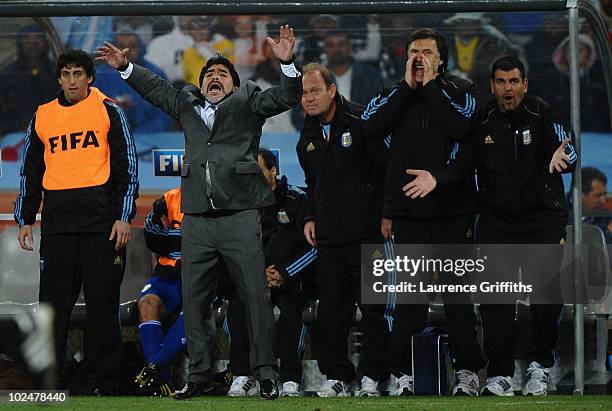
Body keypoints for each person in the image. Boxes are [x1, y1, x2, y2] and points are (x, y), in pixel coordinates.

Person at [95, 25, 302, 400]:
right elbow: (156, 90)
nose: (214, 78)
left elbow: (288, 96)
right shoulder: (186, 103)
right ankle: (200, 375)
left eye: (223, 73)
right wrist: (127, 69)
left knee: (255, 297)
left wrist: (287, 63)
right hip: (196, 221)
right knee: (194, 301)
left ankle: (266, 373)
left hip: (240, 217)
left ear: (235, 86)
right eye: (209, 74)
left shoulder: (249, 101)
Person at [404, 55, 576, 396]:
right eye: (501, 82)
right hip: (497, 222)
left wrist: (564, 158)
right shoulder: (482, 117)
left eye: (514, 82)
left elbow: (566, 147)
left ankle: (540, 367)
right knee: (496, 302)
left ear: (525, 85)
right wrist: (437, 179)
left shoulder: (543, 113)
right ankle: (500, 373)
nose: (507, 89)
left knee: (545, 299)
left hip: (542, 220)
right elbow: (462, 162)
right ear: (491, 86)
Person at [361, 28, 486, 396]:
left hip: (453, 211)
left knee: (456, 298)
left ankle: (467, 373)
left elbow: (463, 130)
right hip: (410, 213)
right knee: (410, 301)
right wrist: (407, 89)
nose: (418, 57)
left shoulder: (462, 91)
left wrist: (438, 179)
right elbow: (370, 126)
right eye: (413, 51)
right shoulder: (393, 93)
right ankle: (403, 373)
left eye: (427, 52)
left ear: (441, 59)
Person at [14, 49, 138, 394]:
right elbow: (30, 173)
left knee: (102, 312)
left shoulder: (108, 110)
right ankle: (47, 383)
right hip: (58, 229)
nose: (71, 81)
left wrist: (123, 217)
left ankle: (104, 385)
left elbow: (127, 167)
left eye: (77, 74)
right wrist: (26, 219)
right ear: (58, 79)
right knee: (52, 313)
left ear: (90, 78)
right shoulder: (43, 116)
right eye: (66, 74)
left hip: (102, 228)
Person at [297, 63, 389, 397]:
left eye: (315, 91)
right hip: (330, 239)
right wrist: (308, 217)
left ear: (332, 91)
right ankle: (337, 375)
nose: (309, 98)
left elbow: (385, 170)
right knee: (331, 313)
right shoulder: (306, 136)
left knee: (374, 310)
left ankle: (372, 377)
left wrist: (387, 214)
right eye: (305, 92)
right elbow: (311, 185)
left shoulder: (362, 122)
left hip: (368, 232)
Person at [224, 148, 316, 397]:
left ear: (273, 171)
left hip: (291, 282)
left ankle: (290, 379)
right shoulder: (241, 206)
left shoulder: (297, 200)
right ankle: (243, 376)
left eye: (258, 170)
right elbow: (232, 248)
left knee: (290, 313)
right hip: (255, 279)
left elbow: (314, 249)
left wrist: (285, 273)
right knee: (237, 309)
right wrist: (257, 273)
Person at [135, 187, 232, 397]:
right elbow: (153, 237)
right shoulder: (169, 199)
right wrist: (190, 238)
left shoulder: (221, 198)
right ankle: (158, 375)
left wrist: (176, 236)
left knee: (193, 312)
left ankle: (154, 369)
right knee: (147, 304)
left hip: (205, 274)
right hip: (167, 275)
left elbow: (218, 245)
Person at [95, 32, 173, 133]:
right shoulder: (100, 75)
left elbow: (166, 115)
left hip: (150, 137)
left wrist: (141, 135)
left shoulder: (155, 74)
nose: (126, 51)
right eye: (121, 46)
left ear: (140, 48)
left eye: (132, 46)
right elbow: (91, 113)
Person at [0, 25, 58, 135]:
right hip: (14, 133)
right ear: (20, 43)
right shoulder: (8, 74)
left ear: (45, 43)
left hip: (52, 131)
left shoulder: (57, 73)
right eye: (27, 38)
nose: (33, 42)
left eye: (38, 38)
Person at [322, 31, 383, 107]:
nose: (336, 49)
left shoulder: (370, 75)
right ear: (324, 49)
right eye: (331, 45)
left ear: (349, 47)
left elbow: (382, 106)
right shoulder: (318, 77)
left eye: (341, 45)